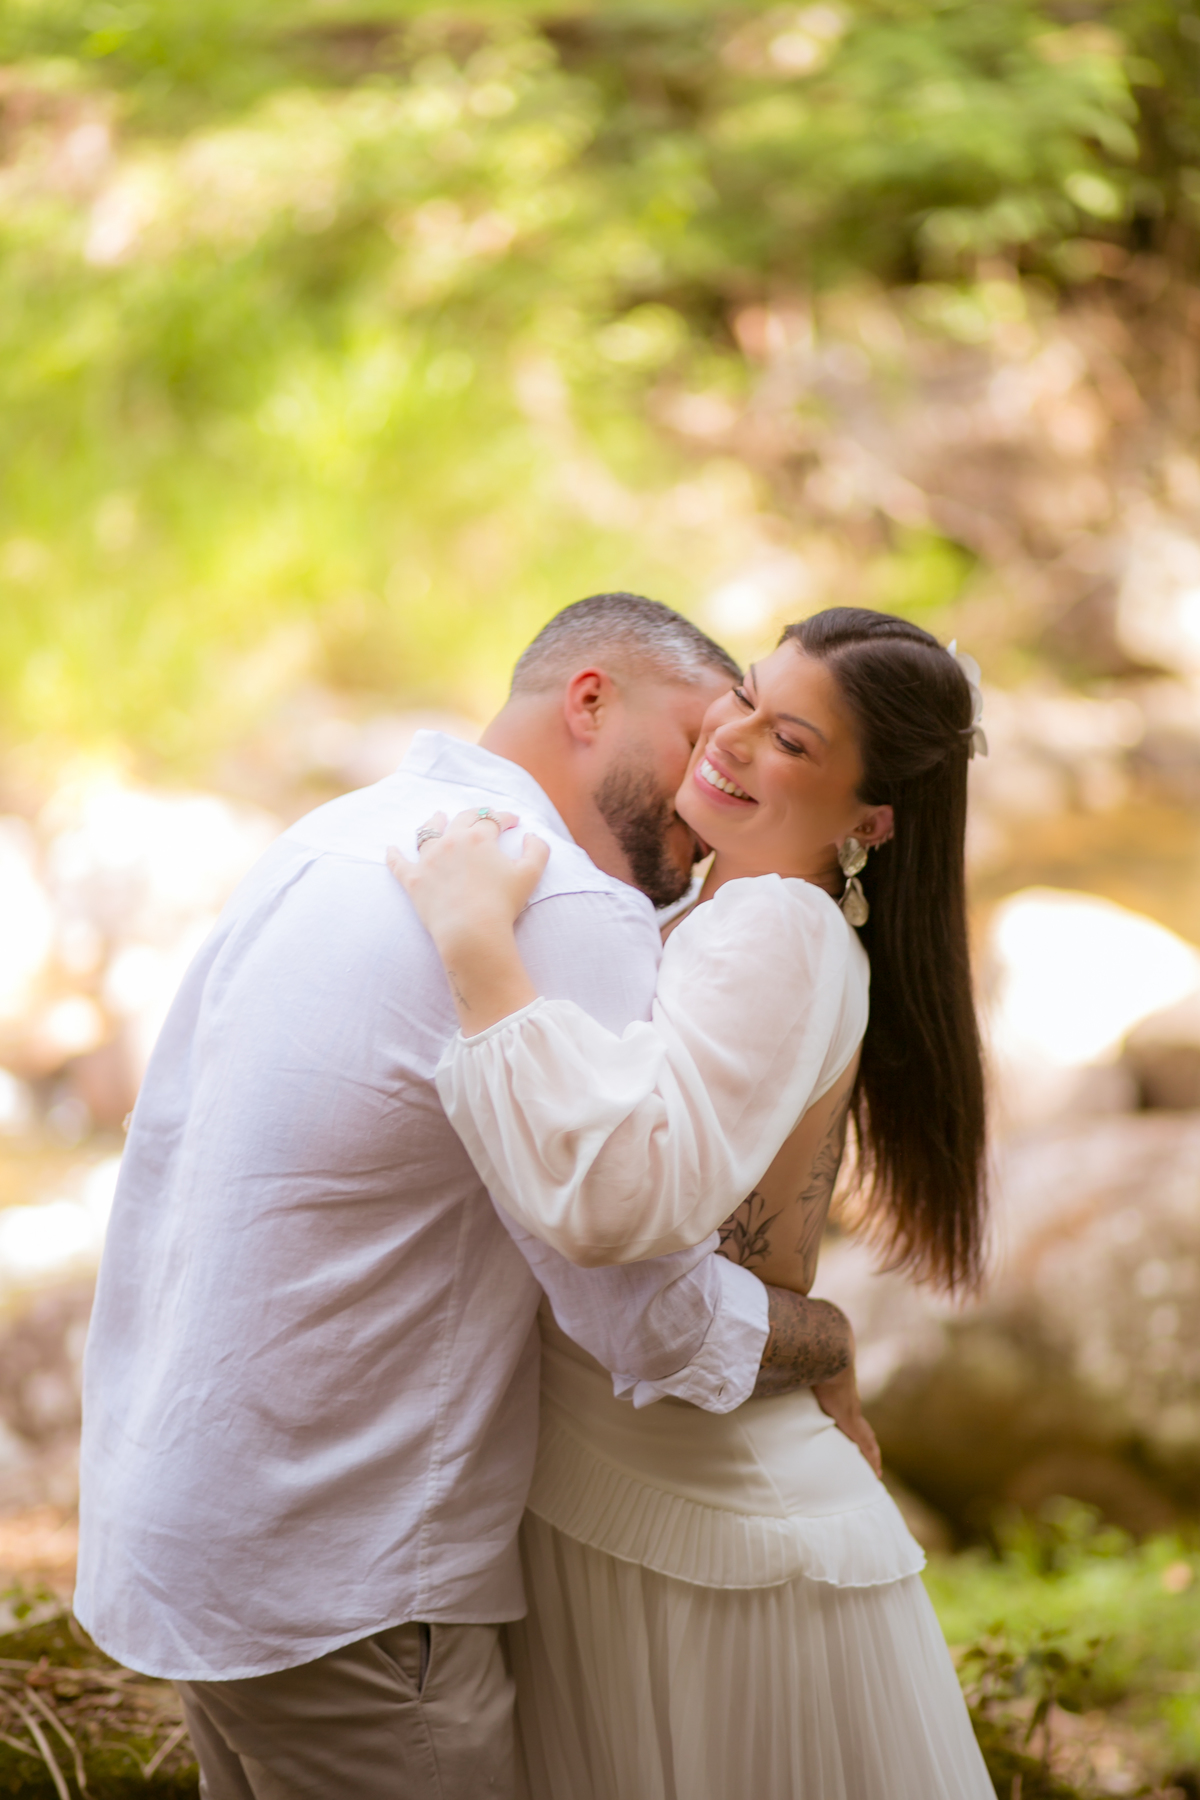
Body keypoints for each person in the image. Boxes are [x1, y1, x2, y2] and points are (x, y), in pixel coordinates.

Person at [75, 592, 863, 1800]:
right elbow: (636, 1310)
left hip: (179, 1533)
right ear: (591, 699)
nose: (711, 796)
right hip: (352, 1578)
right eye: (702, 732)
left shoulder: (328, 836)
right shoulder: (566, 903)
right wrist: (827, 1343)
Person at [390, 606, 995, 1799]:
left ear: (870, 823)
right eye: (749, 700)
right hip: (651, 1501)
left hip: (708, 1531)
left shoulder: (774, 922)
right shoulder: (721, 917)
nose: (733, 741)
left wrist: (477, 947)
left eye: (794, 745)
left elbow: (627, 1197)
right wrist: (823, 1342)